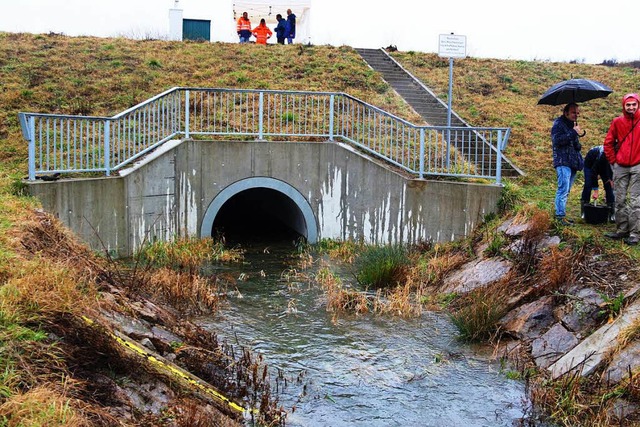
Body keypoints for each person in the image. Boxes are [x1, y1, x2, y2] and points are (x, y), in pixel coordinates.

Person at [603, 93, 640, 244]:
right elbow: (608, 143)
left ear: (638, 105)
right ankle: (621, 229)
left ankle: (635, 233)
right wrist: (614, 161)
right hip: (621, 165)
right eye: (628, 105)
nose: (631, 107)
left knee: (635, 200)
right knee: (619, 199)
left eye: (634, 104)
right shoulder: (617, 122)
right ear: (624, 106)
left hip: (638, 165)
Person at [551, 103, 584, 225]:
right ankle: (559, 217)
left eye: (577, 112)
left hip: (573, 162)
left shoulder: (572, 125)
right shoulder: (558, 124)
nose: (576, 115)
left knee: (567, 190)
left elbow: (576, 146)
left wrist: (577, 137)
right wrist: (573, 133)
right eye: (574, 112)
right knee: (563, 189)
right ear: (566, 113)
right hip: (562, 161)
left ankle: (562, 215)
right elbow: (557, 141)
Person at [580, 145, 614, 221]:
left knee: (609, 186)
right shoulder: (603, 155)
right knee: (588, 185)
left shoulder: (617, 157)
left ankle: (612, 214)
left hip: (604, 166)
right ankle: (584, 212)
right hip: (590, 164)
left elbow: (612, 170)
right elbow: (593, 172)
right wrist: (596, 190)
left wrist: (611, 179)